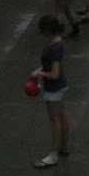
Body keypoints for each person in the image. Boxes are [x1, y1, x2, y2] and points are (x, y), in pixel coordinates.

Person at [30, 15, 70, 168]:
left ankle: (53, 154)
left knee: (54, 120)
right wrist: (40, 70)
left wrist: (38, 74)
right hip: (61, 86)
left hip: (53, 88)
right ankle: (64, 145)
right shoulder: (58, 43)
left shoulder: (53, 47)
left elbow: (54, 73)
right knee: (62, 115)